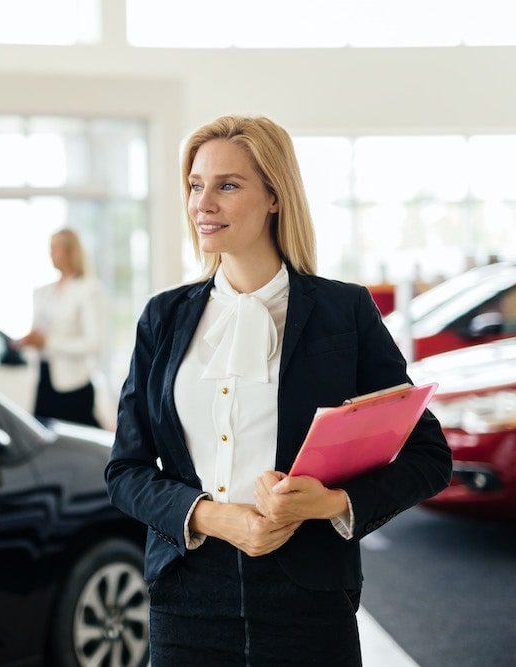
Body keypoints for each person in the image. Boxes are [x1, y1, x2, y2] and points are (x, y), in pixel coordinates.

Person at [104, 114, 452, 665]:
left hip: (309, 597)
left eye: (228, 185)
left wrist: (332, 503)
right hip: (186, 597)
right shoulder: (163, 318)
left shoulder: (345, 312)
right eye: (196, 185)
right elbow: (124, 471)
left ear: (274, 196)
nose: (203, 203)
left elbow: (429, 455)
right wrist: (212, 515)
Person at [15, 228, 104, 427]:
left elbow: (93, 344)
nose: (51, 255)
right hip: (44, 379)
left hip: (72, 385)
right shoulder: (46, 292)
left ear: (70, 252)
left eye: (55, 249)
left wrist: (48, 342)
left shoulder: (87, 289)